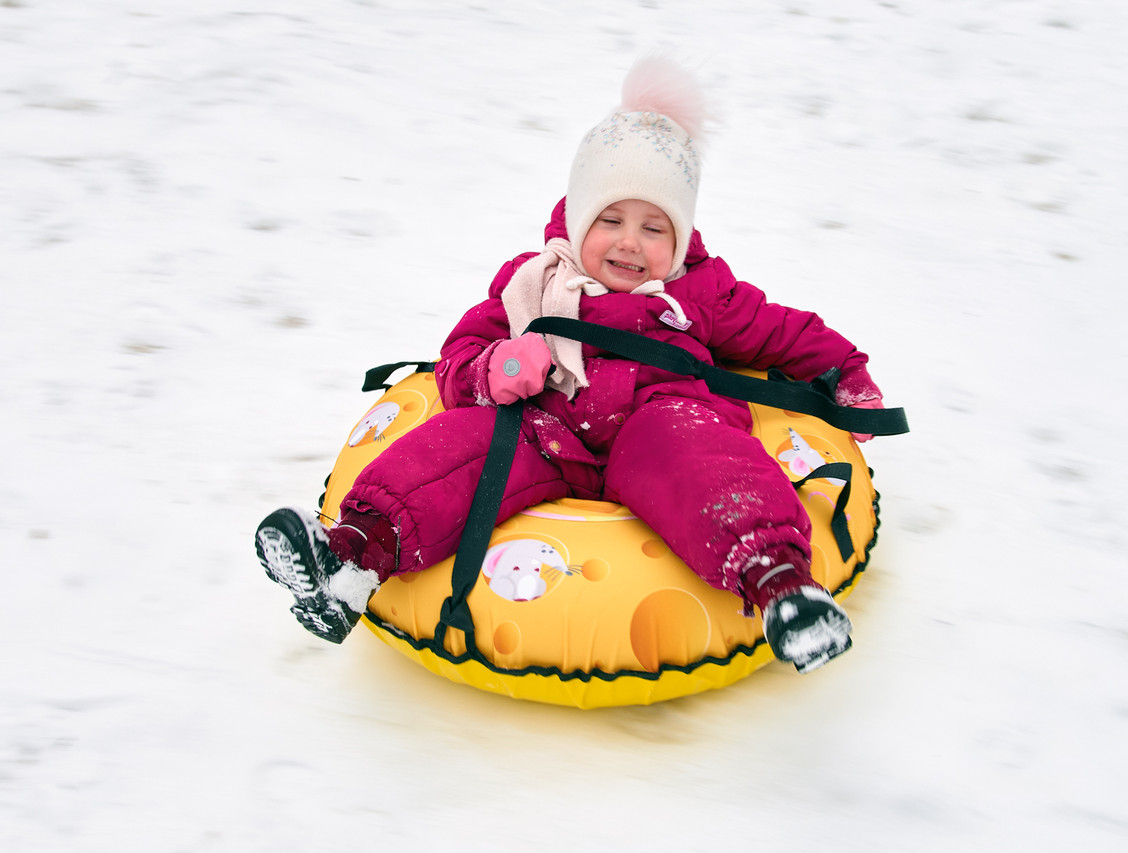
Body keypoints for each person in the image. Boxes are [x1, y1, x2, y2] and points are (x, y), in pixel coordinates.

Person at [255, 56, 886, 674]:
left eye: (655, 227)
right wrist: (497, 370)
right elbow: (460, 358)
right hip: (543, 428)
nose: (631, 242)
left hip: (659, 420)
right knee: (451, 450)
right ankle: (350, 560)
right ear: (579, 217)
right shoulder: (529, 284)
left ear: (682, 237)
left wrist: (848, 373)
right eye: (610, 219)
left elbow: (782, 331)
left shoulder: (702, 291)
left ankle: (781, 585)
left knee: (708, 462)